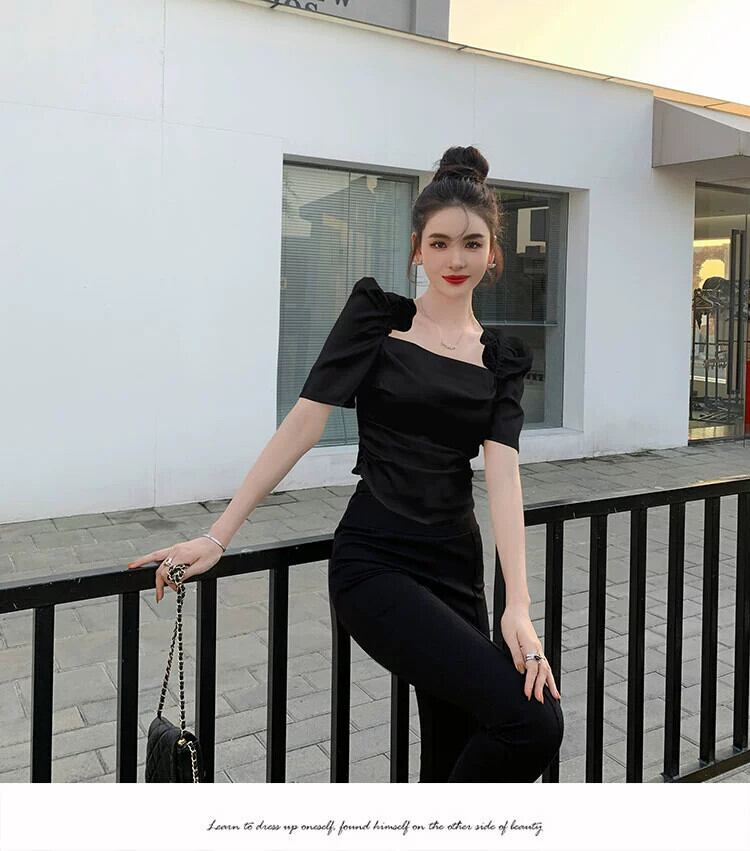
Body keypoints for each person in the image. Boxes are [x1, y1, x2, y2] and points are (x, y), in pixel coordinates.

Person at [128, 145, 564, 783]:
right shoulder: (376, 322)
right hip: (376, 561)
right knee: (533, 723)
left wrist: (517, 606)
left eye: (472, 244)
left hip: (456, 567)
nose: (455, 259)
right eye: (440, 243)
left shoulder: (501, 357)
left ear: (493, 252)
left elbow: (504, 475)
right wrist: (218, 535)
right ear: (417, 249)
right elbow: (304, 425)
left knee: (455, 746)